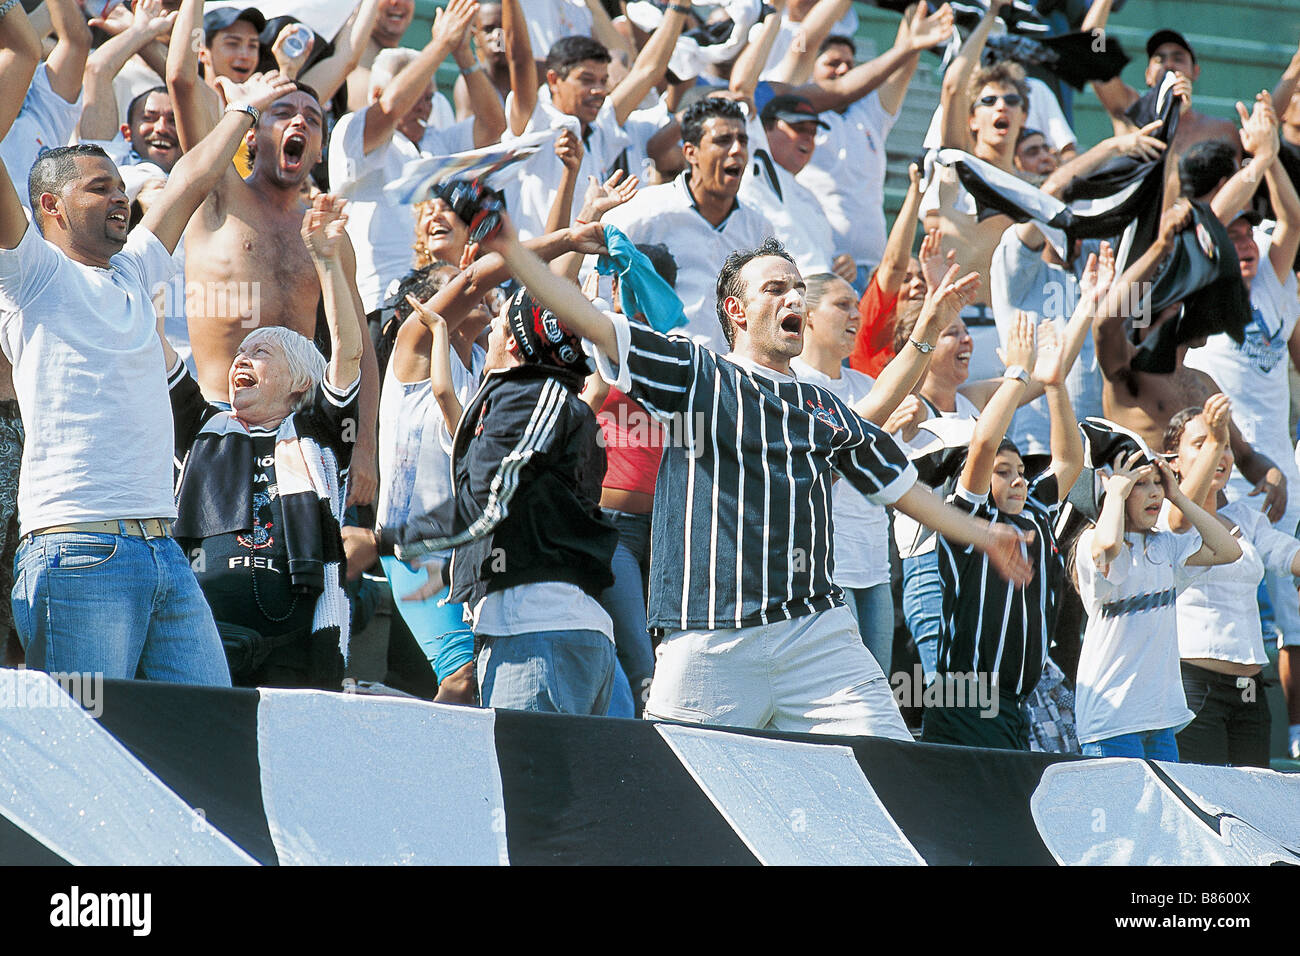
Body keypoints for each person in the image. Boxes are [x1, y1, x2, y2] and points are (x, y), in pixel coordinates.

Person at [476, 216, 1035, 738]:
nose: (794, 296)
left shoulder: (825, 405)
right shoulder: (697, 373)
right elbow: (593, 322)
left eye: (797, 288)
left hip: (816, 634)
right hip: (708, 642)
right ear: (736, 311)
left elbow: (903, 489)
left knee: (891, 773)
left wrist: (986, 535)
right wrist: (511, 250)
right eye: (774, 289)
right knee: (676, 801)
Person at [0, 4, 295, 682]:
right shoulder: (31, 275)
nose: (120, 199)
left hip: (164, 552)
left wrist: (244, 110)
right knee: (89, 751)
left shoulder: (134, 269)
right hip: (77, 550)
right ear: (48, 207)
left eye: (121, 188)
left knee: (205, 740)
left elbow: (190, 180)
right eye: (99, 188)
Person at [167, 0, 380, 506]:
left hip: (304, 430)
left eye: (313, 117)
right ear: (251, 133)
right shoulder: (219, 195)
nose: (299, 123)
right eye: (282, 113)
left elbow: (361, 348)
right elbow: (179, 78)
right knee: (215, 574)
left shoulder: (325, 231)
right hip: (217, 421)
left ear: (321, 148)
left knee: (300, 575)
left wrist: (366, 445)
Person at [165, 195, 362, 690]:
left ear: (299, 381)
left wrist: (326, 261)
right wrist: (129, 268)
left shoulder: (318, 436)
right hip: (202, 632)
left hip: (292, 645)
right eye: (240, 353)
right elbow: (152, 344)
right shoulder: (201, 427)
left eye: (261, 351)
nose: (241, 359)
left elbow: (349, 350)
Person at [1180, 96, 1300, 762]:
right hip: (1219, 465)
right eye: (1237, 235)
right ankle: (1213, 720)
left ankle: (1289, 737)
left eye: (1255, 234)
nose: (1248, 243)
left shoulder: (1278, 285)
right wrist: (1254, 158)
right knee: (1232, 593)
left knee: (1293, 611)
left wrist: (1272, 156)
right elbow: (1203, 223)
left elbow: (1295, 217)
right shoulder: (1204, 286)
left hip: (1279, 464)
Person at [928, 314, 1082, 749]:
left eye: (1020, 472)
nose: (1018, 480)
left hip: (1019, 701)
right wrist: (1017, 373)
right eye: (1003, 472)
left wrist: (1054, 385)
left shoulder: (1034, 513)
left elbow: (1069, 460)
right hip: (968, 700)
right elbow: (982, 444)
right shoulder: (966, 519)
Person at [1074, 447, 1242, 761]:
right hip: (1111, 722)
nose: (1154, 493)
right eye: (1140, 484)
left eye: (1157, 483)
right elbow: (1109, 544)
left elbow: (1228, 550)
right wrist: (1114, 494)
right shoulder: (1091, 542)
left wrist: (1178, 496)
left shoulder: (1164, 545)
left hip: (1160, 721)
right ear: (1112, 487)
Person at [1163, 395, 1298, 767]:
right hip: (1194, 685)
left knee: (1252, 804)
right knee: (1204, 802)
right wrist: (1220, 435)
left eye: (1223, 445)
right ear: (1172, 462)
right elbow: (1181, 521)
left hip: (1251, 688)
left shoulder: (1247, 518)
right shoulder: (1162, 518)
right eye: (1203, 443)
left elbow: (1290, 556)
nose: (1218, 453)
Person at [795, 3, 953, 291]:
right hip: (822, 269)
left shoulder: (869, 113)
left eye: (850, 64)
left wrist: (914, 9)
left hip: (876, 269)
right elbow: (801, 45)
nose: (843, 69)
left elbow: (902, 70)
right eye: (832, 63)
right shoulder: (796, 118)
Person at [603, 97, 775, 349]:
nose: (737, 149)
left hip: (731, 378)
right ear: (691, 153)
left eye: (743, 140)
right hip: (660, 370)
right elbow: (596, 286)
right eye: (723, 140)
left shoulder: (758, 227)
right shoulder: (643, 212)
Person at [1081, 1, 1238, 160]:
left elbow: (1243, 178)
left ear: (1195, 72)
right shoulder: (1130, 110)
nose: (1169, 64)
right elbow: (1091, 53)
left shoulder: (1220, 131)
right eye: (1159, 59)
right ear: (1148, 75)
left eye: (1178, 58)